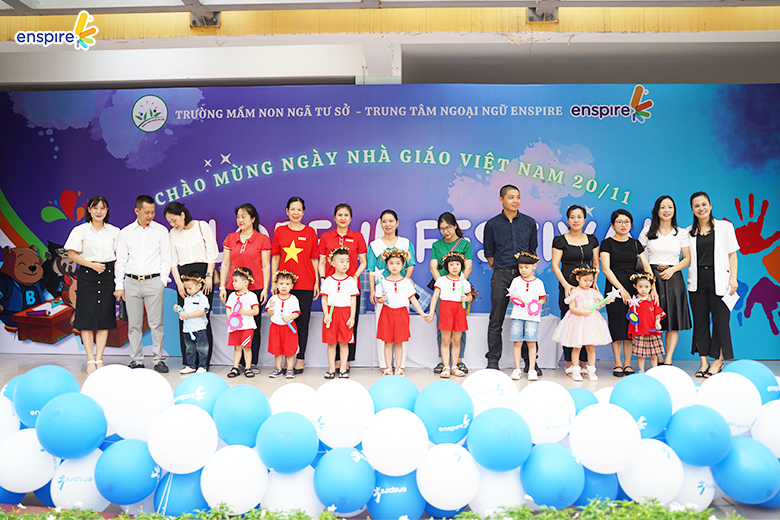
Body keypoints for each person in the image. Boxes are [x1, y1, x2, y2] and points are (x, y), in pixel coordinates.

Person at [114, 195, 171, 373]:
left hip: (154, 281)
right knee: (134, 324)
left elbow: (166, 258)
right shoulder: (125, 233)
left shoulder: (161, 231)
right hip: (131, 282)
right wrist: (119, 285)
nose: (150, 215)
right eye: (147, 212)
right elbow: (121, 260)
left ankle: (159, 360)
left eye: (153, 212)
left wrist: (162, 281)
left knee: (156, 324)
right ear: (137, 211)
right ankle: (136, 360)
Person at [483, 185, 538, 369]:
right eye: (511, 197)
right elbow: (489, 253)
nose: (515, 201)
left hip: (525, 278)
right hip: (502, 276)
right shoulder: (492, 224)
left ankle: (530, 362)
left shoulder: (529, 223)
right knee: (496, 319)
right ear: (501, 200)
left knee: (528, 318)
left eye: (518, 197)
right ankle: (493, 360)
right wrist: (502, 269)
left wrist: (524, 272)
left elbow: (532, 250)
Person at [65, 195, 119, 374]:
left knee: (104, 317)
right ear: (89, 209)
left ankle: (99, 358)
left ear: (107, 210)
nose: (99, 211)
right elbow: (72, 254)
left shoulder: (115, 231)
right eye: (95, 208)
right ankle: (89, 359)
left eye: (102, 208)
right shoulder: (80, 230)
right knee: (86, 318)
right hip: (87, 274)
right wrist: (91, 265)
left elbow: (119, 256)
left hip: (108, 275)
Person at [687, 191, 739, 378]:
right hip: (697, 282)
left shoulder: (725, 227)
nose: (701, 208)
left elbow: (732, 254)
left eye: (704, 204)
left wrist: (733, 278)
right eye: (696, 206)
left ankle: (717, 361)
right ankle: (703, 362)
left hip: (720, 281)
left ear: (710, 205)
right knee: (700, 323)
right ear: (692, 209)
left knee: (721, 323)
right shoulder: (688, 232)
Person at [165, 201, 219, 370]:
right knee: (184, 318)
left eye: (174, 220)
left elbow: (212, 254)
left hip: (203, 276)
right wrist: (179, 284)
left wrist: (209, 276)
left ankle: (203, 363)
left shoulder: (202, 227)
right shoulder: (172, 234)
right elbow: (172, 262)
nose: (173, 224)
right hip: (183, 278)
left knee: (202, 319)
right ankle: (189, 363)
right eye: (169, 222)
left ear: (182, 214)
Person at [638, 196, 691, 365]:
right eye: (663, 207)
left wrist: (672, 270)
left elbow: (687, 258)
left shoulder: (681, 232)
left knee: (673, 320)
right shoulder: (647, 231)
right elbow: (638, 254)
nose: (666, 210)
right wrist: (649, 278)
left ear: (674, 210)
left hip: (674, 277)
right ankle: (658, 357)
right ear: (657, 210)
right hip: (652, 278)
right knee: (653, 318)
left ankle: (668, 359)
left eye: (670, 207)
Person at [219, 203, 270, 375]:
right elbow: (225, 264)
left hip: (255, 288)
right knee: (236, 325)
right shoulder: (231, 238)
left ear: (253, 219)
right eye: (238, 217)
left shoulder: (262, 239)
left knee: (253, 325)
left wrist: (265, 288)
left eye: (244, 216)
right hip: (233, 288)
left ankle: (251, 362)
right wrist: (222, 286)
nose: (240, 220)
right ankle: (238, 364)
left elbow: (266, 265)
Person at [600, 209, 652, 377]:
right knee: (616, 325)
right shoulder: (607, 243)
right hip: (614, 289)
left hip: (634, 289)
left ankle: (628, 364)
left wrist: (653, 288)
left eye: (627, 222)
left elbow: (646, 266)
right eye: (619, 221)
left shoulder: (635, 244)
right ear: (612, 225)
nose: (623, 225)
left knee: (631, 325)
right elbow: (606, 269)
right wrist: (621, 290)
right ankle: (617, 363)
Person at [271, 196, 319, 375]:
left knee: (302, 322)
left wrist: (317, 281)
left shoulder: (310, 232)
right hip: (284, 285)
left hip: (305, 283)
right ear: (287, 211)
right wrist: (274, 281)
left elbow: (314, 259)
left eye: (299, 209)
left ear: (303, 212)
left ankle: (300, 358)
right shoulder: (280, 231)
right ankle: (287, 359)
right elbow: (275, 257)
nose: (296, 213)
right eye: (292, 209)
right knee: (284, 323)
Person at [551, 205, 600, 376]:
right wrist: (566, 285)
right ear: (568, 220)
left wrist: (594, 282)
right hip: (569, 288)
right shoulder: (560, 240)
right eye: (572, 217)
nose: (576, 220)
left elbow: (596, 264)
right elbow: (555, 265)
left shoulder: (592, 240)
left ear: (584, 220)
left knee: (587, 323)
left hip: (587, 289)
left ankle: (584, 363)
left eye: (579, 217)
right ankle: (570, 363)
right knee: (570, 324)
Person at [318, 203, 367, 374]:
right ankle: (334, 364)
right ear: (334, 217)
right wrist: (323, 279)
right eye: (339, 215)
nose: (343, 218)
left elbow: (363, 262)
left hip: (350, 287)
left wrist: (354, 276)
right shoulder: (326, 237)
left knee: (350, 326)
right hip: (332, 288)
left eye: (346, 215)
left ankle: (346, 363)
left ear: (351, 218)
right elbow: (322, 262)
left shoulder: (358, 236)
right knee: (332, 327)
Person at [367, 210, 416, 370]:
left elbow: (410, 264)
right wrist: (373, 291)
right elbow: (371, 269)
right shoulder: (374, 245)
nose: (387, 224)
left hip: (400, 291)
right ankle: (385, 365)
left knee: (402, 330)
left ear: (397, 223)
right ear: (380, 224)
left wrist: (405, 280)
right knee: (383, 329)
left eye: (391, 221)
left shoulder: (405, 243)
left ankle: (400, 366)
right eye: (384, 221)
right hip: (382, 292)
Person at [551, 266, 614, 382]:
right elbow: (572, 308)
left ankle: (591, 371)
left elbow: (597, 307)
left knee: (590, 347)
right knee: (577, 346)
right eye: (585, 280)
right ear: (577, 278)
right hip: (577, 321)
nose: (588, 283)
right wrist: (582, 312)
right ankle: (575, 371)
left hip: (591, 322)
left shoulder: (594, 292)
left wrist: (605, 302)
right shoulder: (574, 291)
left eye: (591, 281)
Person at [375, 249, 432, 376]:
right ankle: (388, 368)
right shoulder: (382, 282)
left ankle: (399, 368)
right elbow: (378, 299)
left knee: (399, 342)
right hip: (387, 314)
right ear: (387, 265)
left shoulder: (406, 282)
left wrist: (422, 313)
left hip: (401, 314)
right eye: (391, 263)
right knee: (387, 342)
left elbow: (413, 299)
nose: (394, 266)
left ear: (403, 265)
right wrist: (381, 299)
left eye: (398, 263)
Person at [429, 212, 473, 375]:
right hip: (444, 291)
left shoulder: (464, 244)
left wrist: (459, 284)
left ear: (455, 226)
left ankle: (458, 361)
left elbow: (468, 267)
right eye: (442, 229)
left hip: (459, 291)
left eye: (448, 227)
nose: (445, 231)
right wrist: (443, 284)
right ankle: (444, 361)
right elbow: (433, 267)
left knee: (460, 328)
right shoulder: (437, 245)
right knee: (442, 326)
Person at [507, 251, 547, 381]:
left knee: (531, 342)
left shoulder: (539, 283)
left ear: (534, 266)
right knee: (517, 342)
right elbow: (511, 297)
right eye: (521, 267)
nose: (523, 270)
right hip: (517, 316)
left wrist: (536, 305)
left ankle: (531, 369)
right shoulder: (516, 281)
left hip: (532, 318)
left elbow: (542, 299)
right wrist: (515, 299)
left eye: (526, 267)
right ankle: (517, 369)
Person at [320, 247, 359, 379]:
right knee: (331, 343)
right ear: (333, 263)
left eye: (347, 261)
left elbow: (353, 300)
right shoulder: (328, 281)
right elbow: (324, 298)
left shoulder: (351, 281)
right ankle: (331, 369)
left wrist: (352, 317)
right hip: (332, 313)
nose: (345, 264)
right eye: (341, 261)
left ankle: (343, 369)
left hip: (345, 313)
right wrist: (326, 314)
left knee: (344, 342)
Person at [627, 272, 666, 373]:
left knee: (654, 353)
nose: (643, 289)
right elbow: (630, 315)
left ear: (651, 287)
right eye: (640, 287)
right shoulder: (634, 301)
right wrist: (633, 316)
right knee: (641, 354)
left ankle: (654, 370)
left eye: (646, 287)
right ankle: (641, 370)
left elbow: (658, 313)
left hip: (652, 330)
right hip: (640, 331)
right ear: (635, 286)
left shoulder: (653, 300)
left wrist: (657, 322)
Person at [266, 270, 301, 379]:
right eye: (281, 284)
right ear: (277, 285)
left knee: (290, 350)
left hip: (289, 328)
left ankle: (289, 369)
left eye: (287, 284)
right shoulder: (273, 298)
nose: (284, 286)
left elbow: (297, 313)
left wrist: (289, 317)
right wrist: (270, 307)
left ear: (291, 286)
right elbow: (269, 313)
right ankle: (278, 369)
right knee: (277, 350)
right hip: (275, 327)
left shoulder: (293, 299)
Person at [226, 267, 260, 378]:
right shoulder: (232, 295)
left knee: (246, 347)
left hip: (247, 327)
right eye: (233, 280)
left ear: (245, 282)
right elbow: (228, 308)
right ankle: (235, 367)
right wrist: (231, 318)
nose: (233, 283)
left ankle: (248, 368)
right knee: (237, 348)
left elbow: (256, 311)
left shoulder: (251, 296)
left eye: (236, 281)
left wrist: (244, 312)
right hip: (235, 327)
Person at [173, 272, 210, 374]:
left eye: (190, 288)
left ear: (199, 285)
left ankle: (202, 366)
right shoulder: (187, 299)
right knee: (189, 349)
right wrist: (179, 309)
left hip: (199, 329)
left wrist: (187, 315)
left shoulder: (202, 298)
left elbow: (202, 312)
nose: (188, 290)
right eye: (186, 288)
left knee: (202, 348)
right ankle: (191, 366)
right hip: (187, 329)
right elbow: (185, 311)